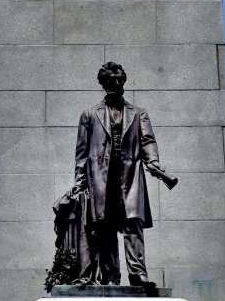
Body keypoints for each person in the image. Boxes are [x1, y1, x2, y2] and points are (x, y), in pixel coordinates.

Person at [73, 61, 174, 289]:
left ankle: (138, 274)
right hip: (100, 178)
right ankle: (111, 277)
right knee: (105, 226)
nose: (114, 85)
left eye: (117, 81)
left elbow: (148, 141)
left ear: (123, 83)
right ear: (103, 84)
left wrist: (154, 163)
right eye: (109, 82)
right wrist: (80, 182)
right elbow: (81, 152)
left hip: (130, 176)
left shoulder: (139, 113)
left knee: (133, 224)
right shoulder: (89, 114)